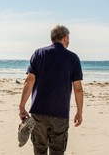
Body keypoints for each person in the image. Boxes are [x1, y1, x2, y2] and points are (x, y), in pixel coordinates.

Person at [19, 25, 84, 155]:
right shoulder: (73, 58)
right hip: (60, 114)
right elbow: (78, 89)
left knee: (39, 150)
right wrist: (79, 112)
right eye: (68, 38)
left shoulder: (39, 53)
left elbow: (29, 80)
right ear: (65, 38)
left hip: (38, 113)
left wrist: (21, 106)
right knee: (57, 151)